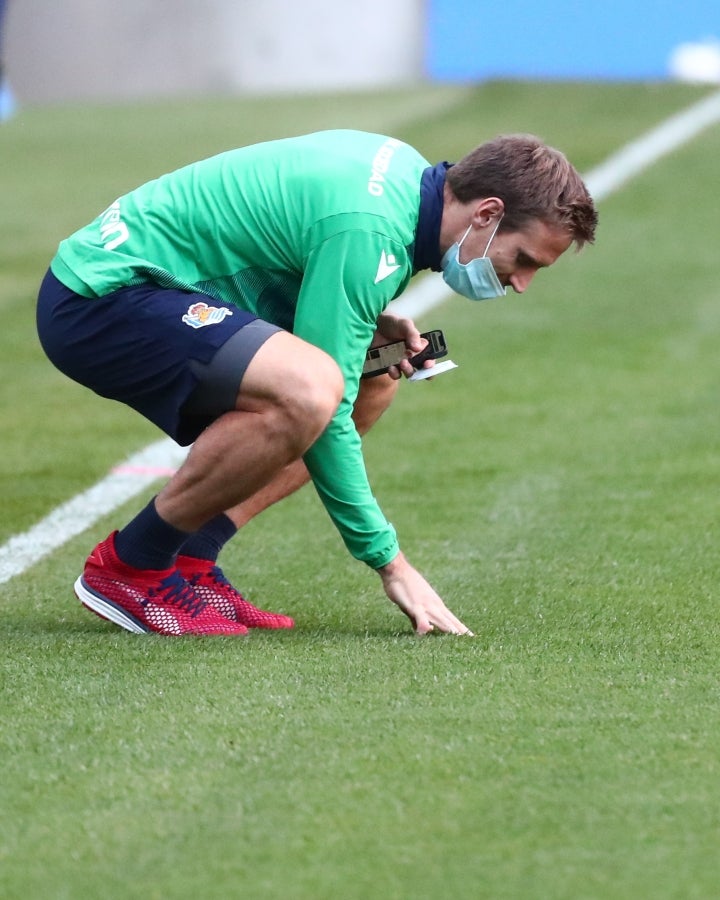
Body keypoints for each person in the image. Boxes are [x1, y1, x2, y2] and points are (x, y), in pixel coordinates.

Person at [36, 129, 597, 637]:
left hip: (158, 289)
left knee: (375, 374)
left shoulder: (404, 178)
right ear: (487, 212)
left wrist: (365, 319)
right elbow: (326, 404)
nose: (521, 283)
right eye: (523, 259)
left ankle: (192, 556)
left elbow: (280, 252)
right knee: (312, 392)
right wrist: (389, 562)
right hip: (102, 296)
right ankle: (132, 564)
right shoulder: (371, 227)